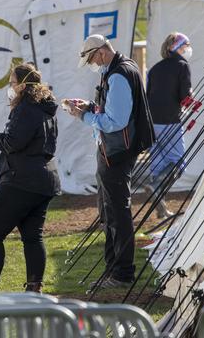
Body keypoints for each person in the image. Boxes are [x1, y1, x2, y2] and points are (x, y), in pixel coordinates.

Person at [66, 34, 154, 290]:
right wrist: (92, 107)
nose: (93, 64)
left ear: (102, 52)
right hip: (112, 150)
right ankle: (114, 270)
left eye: (92, 59)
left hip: (115, 152)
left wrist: (83, 116)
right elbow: (113, 111)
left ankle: (122, 273)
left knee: (117, 213)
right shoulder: (121, 68)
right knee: (110, 212)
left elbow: (116, 121)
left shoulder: (117, 75)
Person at [0, 63, 61, 293]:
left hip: (22, 179)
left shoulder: (26, 108)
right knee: (32, 236)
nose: (10, 88)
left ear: (23, 85)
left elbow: (13, 142)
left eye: (12, 83)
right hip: (45, 179)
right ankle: (34, 288)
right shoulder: (46, 109)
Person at [145, 32, 192, 217]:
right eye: (186, 45)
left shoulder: (155, 69)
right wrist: (191, 97)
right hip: (170, 121)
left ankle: (161, 209)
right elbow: (185, 97)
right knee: (178, 163)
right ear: (178, 47)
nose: (188, 49)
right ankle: (156, 186)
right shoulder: (182, 65)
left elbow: (148, 95)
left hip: (152, 122)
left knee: (159, 164)